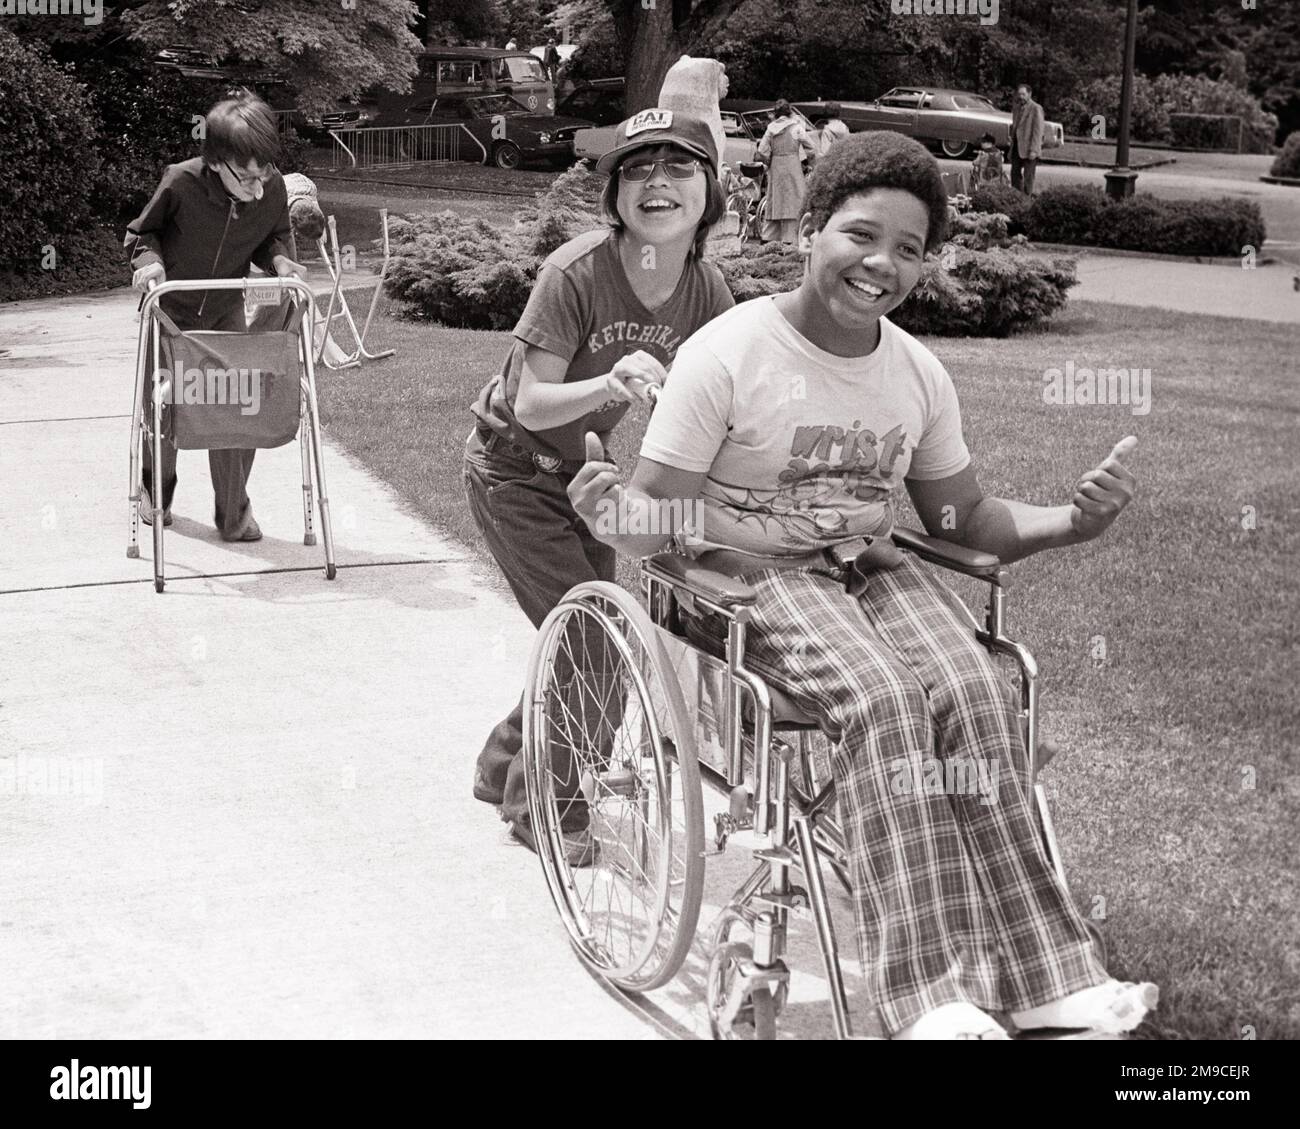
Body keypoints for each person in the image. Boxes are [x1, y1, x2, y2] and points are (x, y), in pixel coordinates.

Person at [566, 130, 1158, 1040]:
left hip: (869, 568)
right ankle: (927, 997)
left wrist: (1075, 519)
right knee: (884, 700)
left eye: (910, 248)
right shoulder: (726, 355)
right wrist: (614, 516)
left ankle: (1047, 975)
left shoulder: (915, 373)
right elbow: (657, 521)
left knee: (977, 684)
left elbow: (965, 524)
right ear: (810, 228)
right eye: (861, 234)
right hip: (749, 577)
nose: (882, 263)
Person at [465, 109, 734, 862]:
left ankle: (501, 762)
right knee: (594, 638)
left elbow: (733, 390)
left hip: (592, 482)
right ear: (613, 193)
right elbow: (528, 403)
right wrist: (608, 381)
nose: (657, 183)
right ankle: (544, 808)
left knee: (585, 633)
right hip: (512, 470)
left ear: (709, 192)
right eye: (637, 168)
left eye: (678, 167)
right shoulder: (575, 272)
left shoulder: (708, 290)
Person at [125, 92, 304, 540]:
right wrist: (149, 263)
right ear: (217, 160)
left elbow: (274, 236)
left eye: (263, 173)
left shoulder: (272, 186)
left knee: (235, 411)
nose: (259, 186)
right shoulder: (181, 181)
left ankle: (233, 513)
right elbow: (142, 233)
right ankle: (156, 492)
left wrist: (280, 261)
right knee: (165, 408)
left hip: (224, 313)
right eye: (246, 177)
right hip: (171, 313)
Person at [756, 99, 816, 244]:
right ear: (789, 112)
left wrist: (769, 160)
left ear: (776, 114)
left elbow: (762, 150)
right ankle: (790, 238)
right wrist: (809, 162)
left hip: (776, 166)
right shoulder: (796, 128)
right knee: (793, 199)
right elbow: (812, 147)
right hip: (793, 165)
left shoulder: (771, 128)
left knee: (774, 200)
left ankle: (768, 237)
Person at [1010, 84, 1044, 195]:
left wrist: (1034, 149)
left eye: (1023, 94)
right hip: (1016, 146)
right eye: (1019, 94)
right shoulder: (1016, 108)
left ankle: (1027, 198)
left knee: (1028, 176)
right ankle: (1016, 196)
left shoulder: (1036, 108)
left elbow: (1038, 131)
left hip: (1029, 147)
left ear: (1029, 94)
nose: (1021, 97)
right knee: (1014, 172)